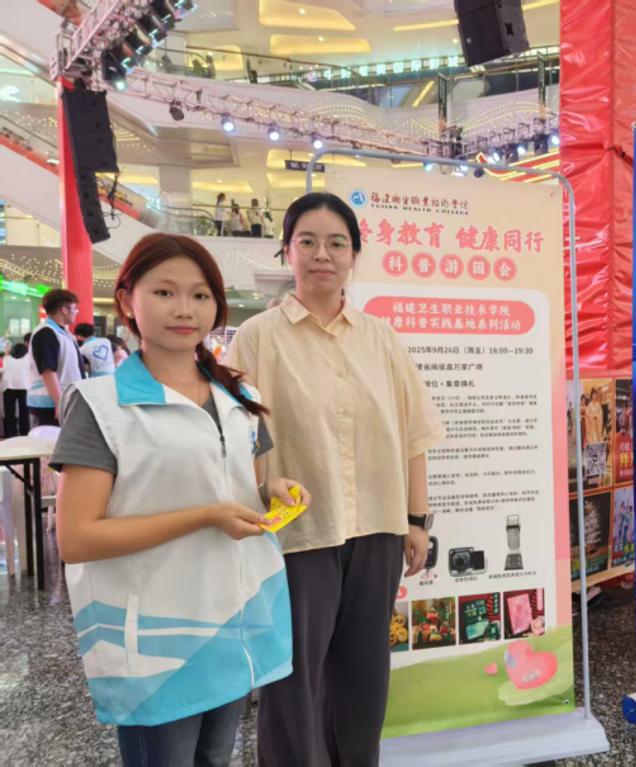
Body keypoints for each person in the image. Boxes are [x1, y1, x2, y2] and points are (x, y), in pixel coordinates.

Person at [51, 233, 306, 766]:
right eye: (164, 293)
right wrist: (204, 517)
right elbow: (76, 538)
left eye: (200, 295)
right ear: (128, 300)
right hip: (156, 638)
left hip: (234, 618)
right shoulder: (101, 406)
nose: (184, 309)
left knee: (215, 759)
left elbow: (240, 487)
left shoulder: (240, 397)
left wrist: (270, 490)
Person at [226, 192, 445, 766]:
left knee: (364, 674)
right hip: (300, 533)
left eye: (336, 243)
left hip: (377, 528)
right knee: (293, 677)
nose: (322, 254)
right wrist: (259, 493)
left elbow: (414, 434)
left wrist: (416, 521)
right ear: (287, 251)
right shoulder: (257, 337)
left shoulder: (381, 337)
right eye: (308, 241)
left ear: (353, 255)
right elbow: (238, 437)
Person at [28, 288, 84, 427]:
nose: (76, 312)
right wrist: (59, 402)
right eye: (75, 308)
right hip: (49, 403)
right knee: (49, 439)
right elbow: (47, 370)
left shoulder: (64, 334)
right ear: (63, 310)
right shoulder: (46, 332)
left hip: (64, 399)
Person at [3, 342, 32, 436]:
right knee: (24, 412)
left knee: (9, 413)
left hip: (8, 388)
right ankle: (24, 432)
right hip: (24, 388)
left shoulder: (7, 358)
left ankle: (10, 434)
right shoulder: (28, 358)